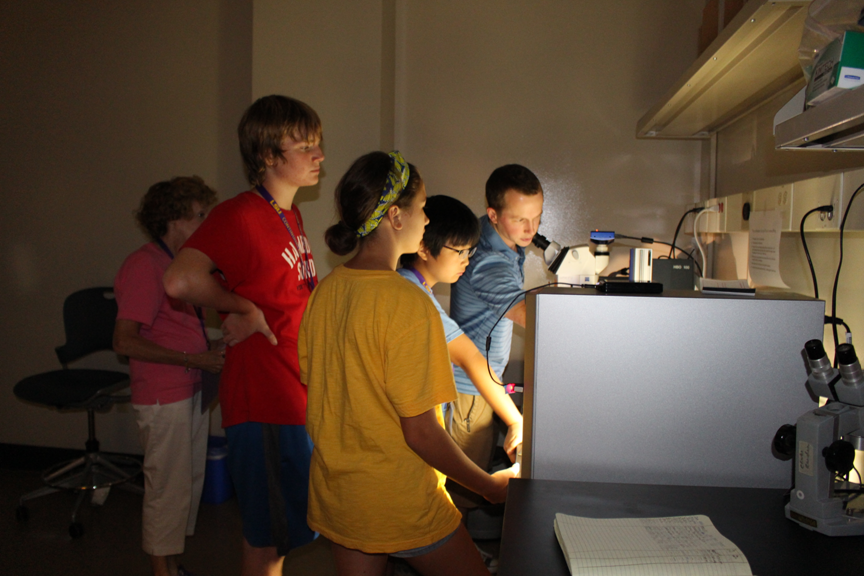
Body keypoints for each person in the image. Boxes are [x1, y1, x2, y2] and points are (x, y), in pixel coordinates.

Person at [298, 151, 515, 576]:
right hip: (398, 495)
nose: (427, 220)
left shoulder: (327, 290)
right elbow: (420, 431)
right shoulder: (407, 302)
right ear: (396, 216)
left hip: (341, 493)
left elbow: (325, 389)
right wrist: (488, 487)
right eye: (422, 208)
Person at [163, 95, 323, 576]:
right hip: (264, 401)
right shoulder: (240, 214)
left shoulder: (288, 215)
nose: (318, 156)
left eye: (318, 144)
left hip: (292, 393)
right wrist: (243, 306)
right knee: (268, 543)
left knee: (288, 536)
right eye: (305, 146)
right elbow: (180, 280)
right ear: (269, 155)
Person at [113, 176, 224, 576]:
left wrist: (206, 352)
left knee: (185, 486)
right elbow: (124, 341)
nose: (205, 222)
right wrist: (192, 359)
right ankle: (163, 571)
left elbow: (173, 329)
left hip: (188, 388)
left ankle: (172, 565)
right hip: (165, 396)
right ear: (174, 219)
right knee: (167, 490)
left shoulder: (175, 264)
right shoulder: (145, 264)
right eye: (199, 215)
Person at [398, 195, 523, 514]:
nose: (467, 261)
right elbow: (469, 357)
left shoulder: (417, 288)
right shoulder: (410, 295)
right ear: (424, 247)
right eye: (460, 252)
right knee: (451, 499)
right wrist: (515, 420)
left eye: (471, 251)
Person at [449, 165, 543, 509]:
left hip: (480, 382)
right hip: (468, 389)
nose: (531, 229)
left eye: (537, 218)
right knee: (462, 488)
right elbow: (524, 315)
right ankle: (449, 560)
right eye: (520, 219)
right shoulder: (490, 261)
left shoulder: (493, 235)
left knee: (468, 479)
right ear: (494, 214)